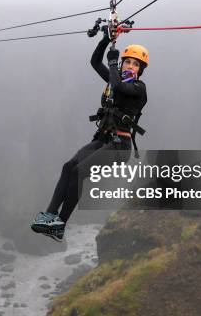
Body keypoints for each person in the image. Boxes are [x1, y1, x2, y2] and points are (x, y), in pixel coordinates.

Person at [31, 27, 149, 241]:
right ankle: (50, 215)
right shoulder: (116, 81)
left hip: (119, 146)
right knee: (68, 167)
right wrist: (105, 40)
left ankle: (60, 225)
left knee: (79, 172)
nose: (130, 66)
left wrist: (113, 62)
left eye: (136, 64)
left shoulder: (139, 89)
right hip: (103, 139)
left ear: (140, 70)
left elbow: (118, 85)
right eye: (128, 61)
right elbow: (95, 62)